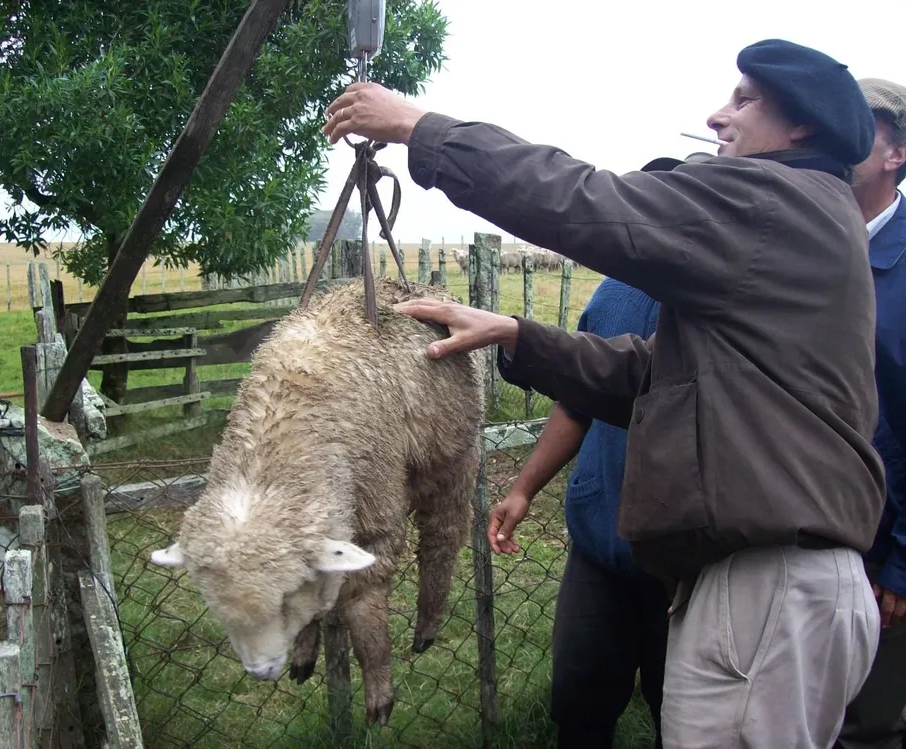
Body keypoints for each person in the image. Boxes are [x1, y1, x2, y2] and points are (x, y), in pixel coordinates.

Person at [323, 38, 886, 747]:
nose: (718, 116)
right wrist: (515, 334)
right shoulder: (802, 221)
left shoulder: (774, 204)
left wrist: (420, 129)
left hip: (769, 588)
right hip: (771, 584)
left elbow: (585, 200)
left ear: (801, 126)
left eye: (744, 99)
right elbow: (655, 378)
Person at [491, 152, 709, 749]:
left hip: (689, 560)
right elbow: (577, 401)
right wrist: (522, 488)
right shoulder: (614, 292)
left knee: (686, 717)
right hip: (600, 546)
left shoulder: (718, 303)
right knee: (581, 707)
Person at [837, 77, 906, 749]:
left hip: (881, 552)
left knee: (869, 722)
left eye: (859, 126)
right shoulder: (818, 241)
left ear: (896, 153)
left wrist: (903, 563)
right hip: (815, 535)